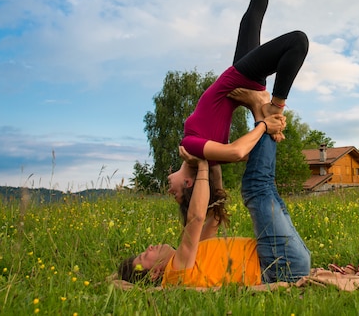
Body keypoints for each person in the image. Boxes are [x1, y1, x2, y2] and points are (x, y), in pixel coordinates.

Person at [167, 0, 308, 223]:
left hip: (237, 82)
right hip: (235, 81)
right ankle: (276, 106)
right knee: (297, 41)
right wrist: (265, 120)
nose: (170, 191)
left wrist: (206, 178)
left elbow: (234, 159)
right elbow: (238, 151)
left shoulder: (204, 160)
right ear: (188, 184)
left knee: (250, 20)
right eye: (177, 194)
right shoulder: (192, 148)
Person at [118, 94, 311, 287]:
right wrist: (202, 166)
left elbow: (215, 216)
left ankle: (266, 115)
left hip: (283, 259)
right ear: (154, 274)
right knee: (257, 187)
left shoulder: (192, 255)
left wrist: (213, 164)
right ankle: (266, 113)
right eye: (145, 255)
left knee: (261, 185)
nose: (149, 247)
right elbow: (196, 218)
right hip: (279, 264)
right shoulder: (175, 272)